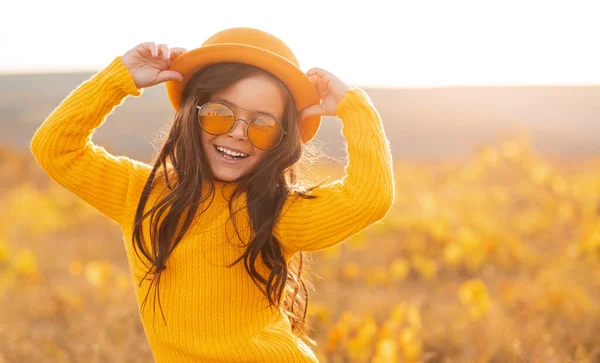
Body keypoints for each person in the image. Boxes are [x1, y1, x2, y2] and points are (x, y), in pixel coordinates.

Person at [30, 27, 394, 363]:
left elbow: (370, 197)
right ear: (191, 113)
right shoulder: (141, 194)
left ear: (282, 141)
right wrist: (119, 79)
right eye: (220, 114)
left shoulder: (278, 213)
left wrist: (354, 108)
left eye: (263, 124)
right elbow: (56, 147)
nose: (238, 132)